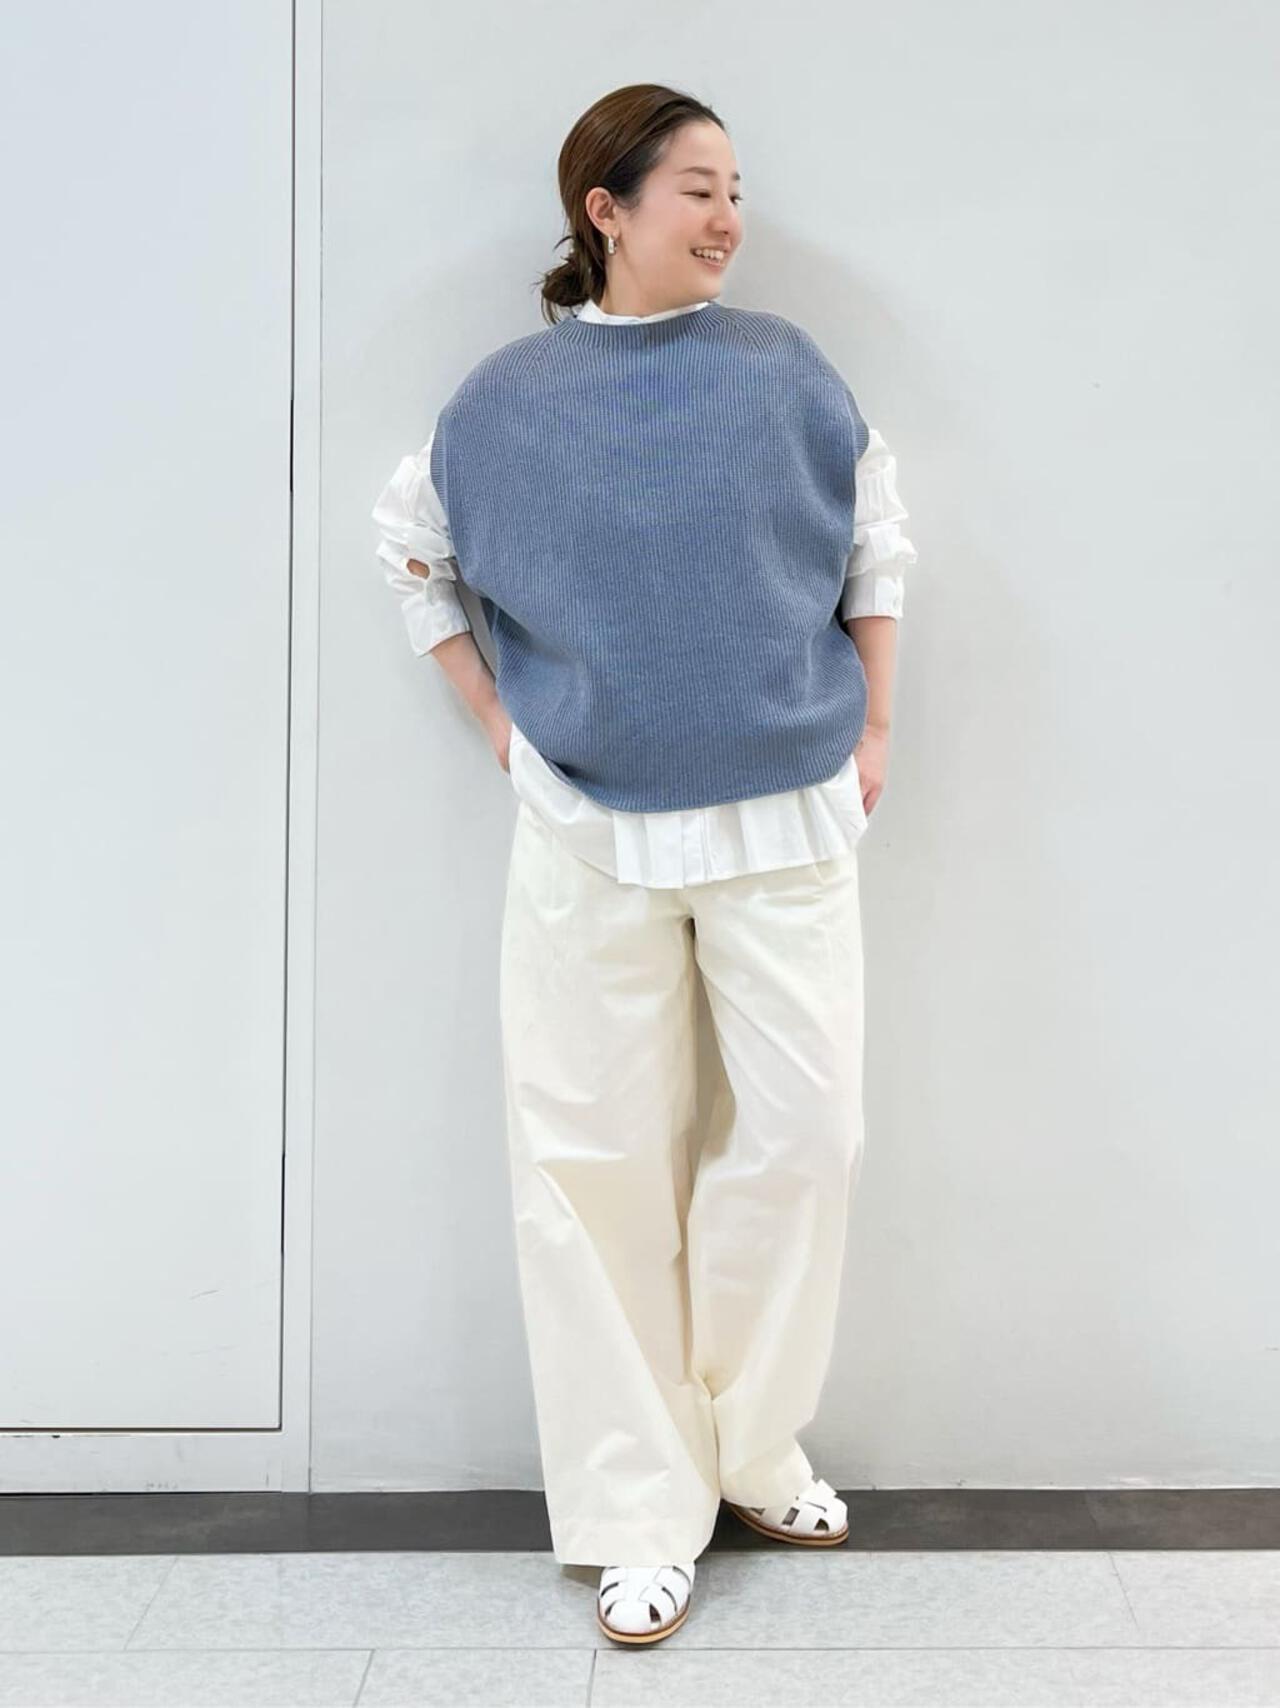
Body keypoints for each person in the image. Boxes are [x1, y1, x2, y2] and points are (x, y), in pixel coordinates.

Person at [371, 83, 918, 1647]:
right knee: (587, 1163)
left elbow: (875, 537)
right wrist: (499, 726)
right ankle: (634, 1507)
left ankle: (745, 1443)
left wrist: (878, 722)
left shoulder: (785, 370)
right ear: (604, 210)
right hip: (586, 828)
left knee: (807, 1138)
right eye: (697, 188)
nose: (729, 216)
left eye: (736, 188)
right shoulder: (505, 402)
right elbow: (411, 548)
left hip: (786, 808)